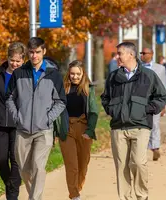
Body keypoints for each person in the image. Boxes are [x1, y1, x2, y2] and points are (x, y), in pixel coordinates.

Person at [101, 42, 166, 200]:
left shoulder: (148, 75)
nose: (117, 57)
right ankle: (125, 197)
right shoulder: (113, 77)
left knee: (138, 162)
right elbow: (105, 98)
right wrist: (112, 110)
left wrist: (147, 110)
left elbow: (161, 97)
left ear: (131, 55)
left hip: (141, 126)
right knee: (121, 166)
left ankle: (141, 195)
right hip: (118, 127)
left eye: (120, 53)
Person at [5, 37, 67, 200]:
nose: (34, 56)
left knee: (39, 167)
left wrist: (48, 119)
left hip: (44, 130)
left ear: (44, 52)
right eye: (31, 52)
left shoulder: (53, 75)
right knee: (25, 170)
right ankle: (36, 195)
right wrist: (18, 117)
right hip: (22, 129)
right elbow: (9, 98)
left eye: (38, 52)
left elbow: (61, 101)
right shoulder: (19, 73)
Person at [0, 42, 26, 200]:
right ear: (7, 58)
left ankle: (12, 195)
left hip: (19, 125)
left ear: (23, 60)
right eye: (11, 60)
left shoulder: (26, 75)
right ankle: (11, 184)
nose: (14, 64)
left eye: (18, 61)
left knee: (16, 159)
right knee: (0, 158)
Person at [59, 60, 98, 200]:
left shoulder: (88, 89)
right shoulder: (62, 88)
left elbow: (93, 112)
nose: (75, 77)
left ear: (83, 74)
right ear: (68, 74)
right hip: (67, 128)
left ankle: (77, 188)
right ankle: (74, 194)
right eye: (72, 74)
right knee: (71, 165)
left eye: (78, 74)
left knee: (83, 165)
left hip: (83, 128)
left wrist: (89, 131)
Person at [140, 48, 166, 162]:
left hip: (155, 101)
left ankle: (155, 147)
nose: (142, 55)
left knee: (155, 124)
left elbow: (163, 86)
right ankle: (142, 149)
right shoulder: (137, 68)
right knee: (141, 125)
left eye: (144, 53)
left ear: (151, 54)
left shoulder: (160, 69)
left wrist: (163, 104)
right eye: (141, 53)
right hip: (140, 101)